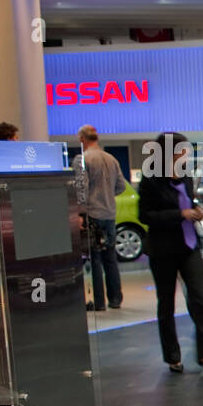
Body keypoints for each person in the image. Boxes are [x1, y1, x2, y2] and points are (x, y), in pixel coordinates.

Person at [138, 132, 203, 373]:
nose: (186, 153)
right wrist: (180, 215)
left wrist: (195, 209)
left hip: (189, 245)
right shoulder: (151, 180)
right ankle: (172, 356)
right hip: (163, 249)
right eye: (182, 149)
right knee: (166, 303)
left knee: (199, 297)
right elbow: (145, 216)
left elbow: (187, 202)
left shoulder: (185, 176)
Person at [73, 125, 126, 311]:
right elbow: (121, 186)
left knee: (95, 259)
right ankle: (115, 299)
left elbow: (81, 189)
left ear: (82, 139)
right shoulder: (111, 159)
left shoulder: (82, 160)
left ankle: (99, 302)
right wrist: (107, 195)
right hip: (109, 214)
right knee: (110, 258)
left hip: (92, 214)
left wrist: (80, 213)